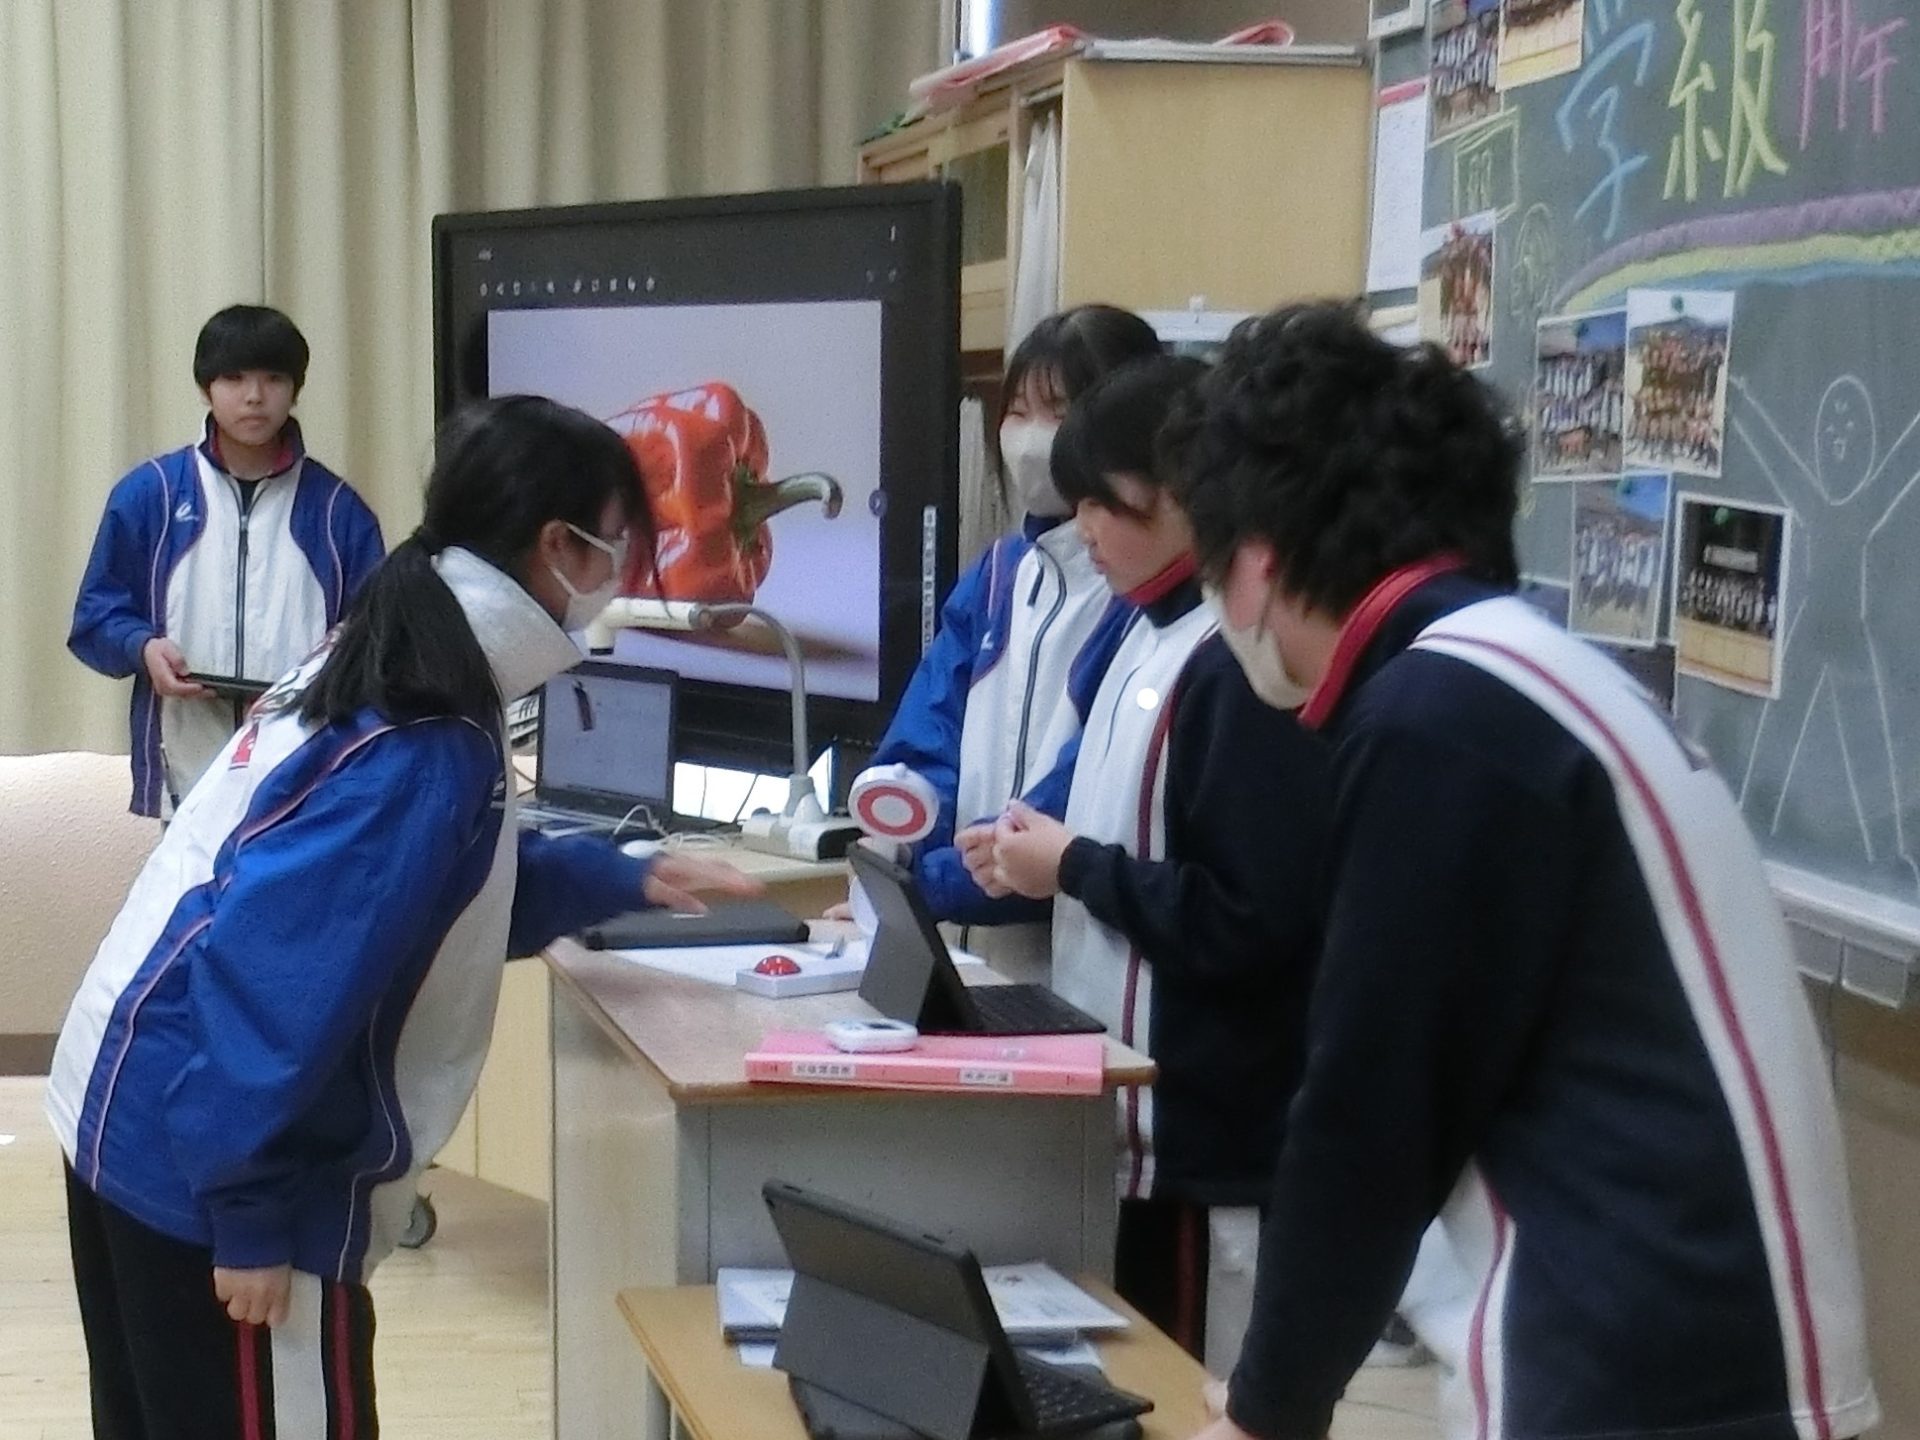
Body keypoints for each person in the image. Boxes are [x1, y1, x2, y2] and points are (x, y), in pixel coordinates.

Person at [1162, 302, 1876, 1440]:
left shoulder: (1440, 716)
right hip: (1702, 1347)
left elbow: (1371, 1112)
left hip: (1645, 1374)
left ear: (1254, 561)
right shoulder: (1520, 672)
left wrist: (1269, 1410)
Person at [46, 395, 757, 1439]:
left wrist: (619, 878)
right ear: (559, 545)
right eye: (618, 542)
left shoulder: (398, 649)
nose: (623, 572)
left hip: (136, 1106)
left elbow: (424, 892)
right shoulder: (426, 733)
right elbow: (275, 977)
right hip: (210, 1159)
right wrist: (249, 1213)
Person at [984, 356, 1332, 1374]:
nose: (1085, 527)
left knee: (1194, 1396)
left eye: (1105, 502)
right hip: (1131, 1127)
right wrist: (1038, 851)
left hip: (1205, 1145)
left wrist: (1074, 867)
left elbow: (1254, 920)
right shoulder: (1144, 632)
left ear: (1185, 492)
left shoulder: (1239, 664)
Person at [859, 304, 1161, 978]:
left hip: (1078, 945)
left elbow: (1079, 790)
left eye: (1056, 411)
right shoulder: (998, 574)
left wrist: (936, 883)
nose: (1028, 438)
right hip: (964, 938)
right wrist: (903, 839)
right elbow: (927, 733)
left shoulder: (1138, 597)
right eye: (1017, 411)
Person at [69, 304, 386, 818]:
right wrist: (143, 647)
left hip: (302, 774)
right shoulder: (151, 494)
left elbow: (377, 640)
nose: (254, 396)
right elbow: (95, 615)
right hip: (186, 763)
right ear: (205, 388)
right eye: (234, 378)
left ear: (296, 389)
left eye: (273, 378)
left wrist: (315, 688)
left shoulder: (338, 512)